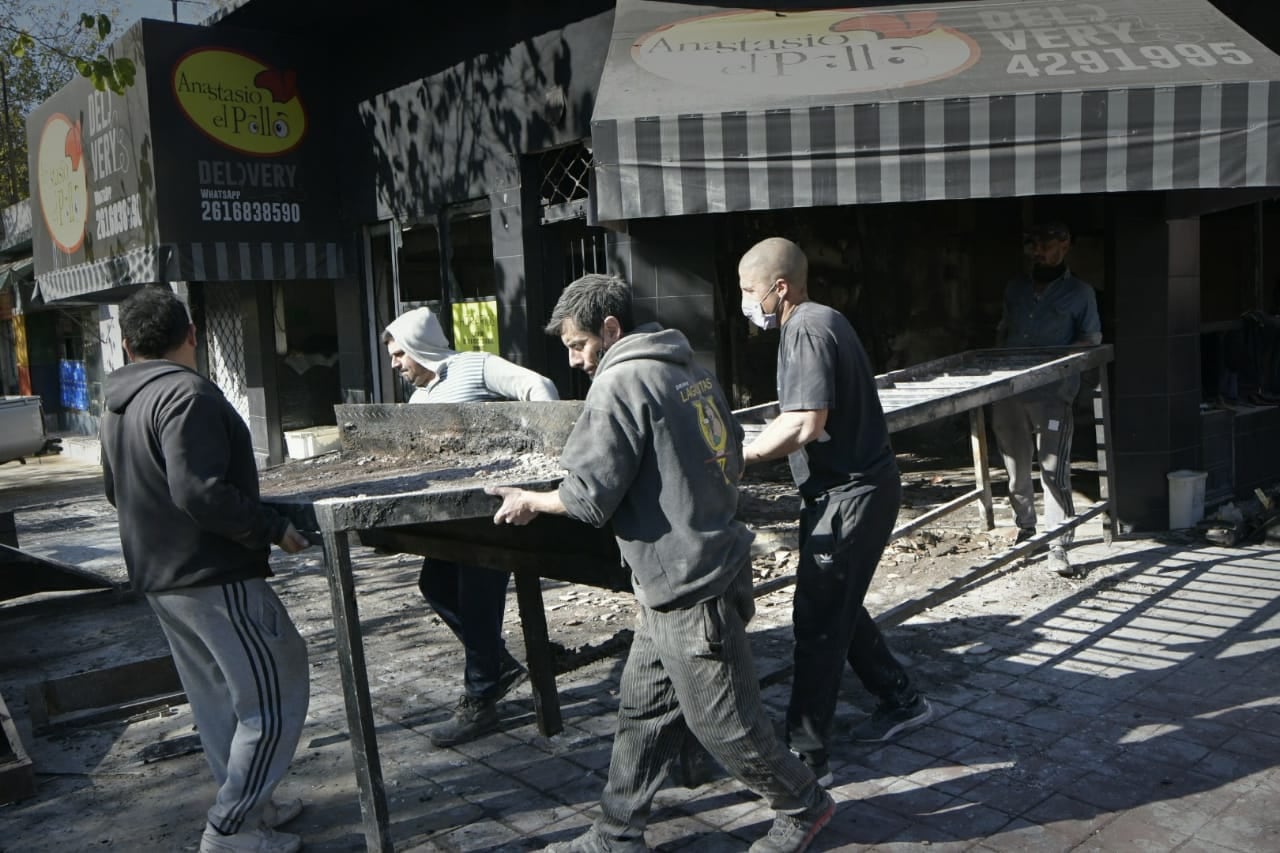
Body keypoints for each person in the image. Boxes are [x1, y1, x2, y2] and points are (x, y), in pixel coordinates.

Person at [488, 274, 834, 853]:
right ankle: (616, 834)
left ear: (612, 329)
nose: (575, 360)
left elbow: (588, 498)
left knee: (730, 728)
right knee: (643, 715)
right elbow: (731, 454)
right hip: (687, 576)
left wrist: (528, 500)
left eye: (578, 345)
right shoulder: (688, 367)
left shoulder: (620, 380)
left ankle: (804, 804)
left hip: (691, 588)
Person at [100, 286, 311, 853]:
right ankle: (233, 828)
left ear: (126, 344)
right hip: (212, 573)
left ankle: (251, 805)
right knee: (275, 690)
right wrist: (267, 527)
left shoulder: (118, 402)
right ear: (191, 335)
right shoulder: (185, 392)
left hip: (159, 575)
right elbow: (198, 491)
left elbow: (112, 490)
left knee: (219, 698)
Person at [737, 237, 931, 785]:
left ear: (780, 287)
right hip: (849, 491)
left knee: (818, 622)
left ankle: (807, 758)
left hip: (850, 495)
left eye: (750, 292)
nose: (746, 303)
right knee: (836, 604)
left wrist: (740, 457)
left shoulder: (806, 328)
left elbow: (805, 423)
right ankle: (902, 700)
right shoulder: (820, 320)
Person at [383, 305, 558, 746]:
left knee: (477, 594)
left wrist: (544, 452)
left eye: (400, 354)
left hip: (492, 515)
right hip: (449, 521)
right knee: (436, 586)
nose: (395, 364)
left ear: (420, 349)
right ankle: (497, 667)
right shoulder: (418, 400)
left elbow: (538, 385)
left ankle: (480, 698)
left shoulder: (474, 366)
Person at [993, 223, 1102, 578]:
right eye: (1032, 245)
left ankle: (1058, 541)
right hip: (1009, 389)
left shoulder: (1080, 292)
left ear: (1064, 245)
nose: (1037, 252)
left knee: (1053, 469)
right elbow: (1004, 330)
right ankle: (1025, 526)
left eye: (1044, 244)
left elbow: (1091, 338)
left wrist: (1057, 361)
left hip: (1053, 391)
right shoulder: (1016, 289)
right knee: (1015, 465)